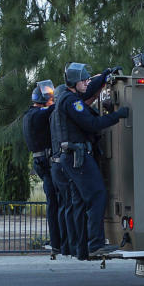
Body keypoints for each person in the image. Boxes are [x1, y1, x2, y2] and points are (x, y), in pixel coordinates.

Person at [50, 62, 129, 258]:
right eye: (84, 80)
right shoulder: (72, 102)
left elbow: (90, 90)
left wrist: (104, 75)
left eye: (87, 80)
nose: (87, 83)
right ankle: (95, 244)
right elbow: (92, 124)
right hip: (78, 158)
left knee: (81, 202)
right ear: (75, 83)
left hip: (72, 158)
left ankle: (82, 248)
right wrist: (118, 116)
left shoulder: (68, 98)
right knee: (97, 195)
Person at [22, 80, 64, 258]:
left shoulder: (29, 114)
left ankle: (57, 242)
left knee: (53, 202)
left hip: (40, 162)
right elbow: (56, 108)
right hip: (46, 164)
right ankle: (58, 242)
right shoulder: (40, 114)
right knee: (56, 202)